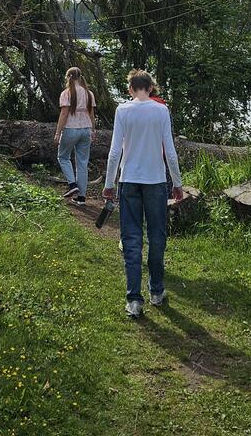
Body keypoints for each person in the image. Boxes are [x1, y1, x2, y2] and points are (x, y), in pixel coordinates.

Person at [102, 70, 183, 318]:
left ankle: (134, 300)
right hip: (156, 181)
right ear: (151, 88)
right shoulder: (161, 111)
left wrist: (109, 184)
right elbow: (169, 151)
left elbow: (115, 152)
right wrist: (177, 183)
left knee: (131, 239)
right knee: (157, 237)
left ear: (130, 89)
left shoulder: (122, 111)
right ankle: (156, 292)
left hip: (129, 181)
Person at [53, 67, 95, 205]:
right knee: (82, 163)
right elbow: (92, 115)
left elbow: (64, 114)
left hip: (71, 129)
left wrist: (58, 133)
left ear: (68, 77)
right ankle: (81, 198)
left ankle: (72, 185)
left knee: (63, 157)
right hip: (86, 130)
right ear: (80, 77)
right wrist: (93, 131)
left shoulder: (67, 93)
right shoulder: (89, 94)